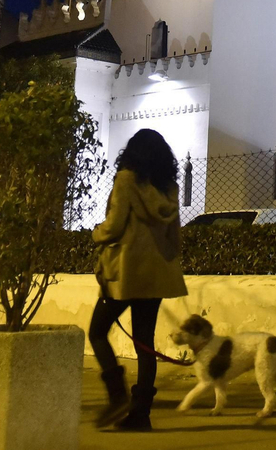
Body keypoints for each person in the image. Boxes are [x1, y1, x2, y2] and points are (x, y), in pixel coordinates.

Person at [90, 129, 187, 431]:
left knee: (97, 331)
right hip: (155, 275)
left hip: (126, 274)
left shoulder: (127, 180)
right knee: (145, 345)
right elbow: (175, 237)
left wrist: (96, 233)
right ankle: (140, 415)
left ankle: (117, 395)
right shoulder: (169, 188)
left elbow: (115, 225)